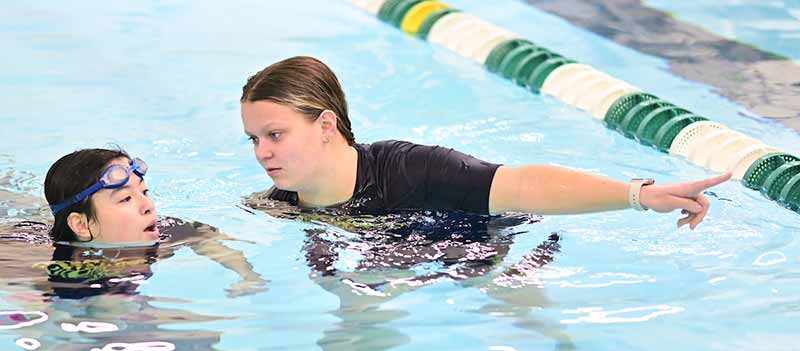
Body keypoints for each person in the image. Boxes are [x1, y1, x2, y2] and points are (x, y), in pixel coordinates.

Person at [240, 55, 729, 228]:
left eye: (275, 135)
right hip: (392, 258)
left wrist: (638, 196)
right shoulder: (275, 205)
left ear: (326, 125)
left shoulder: (412, 169)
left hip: (485, 240)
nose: (263, 153)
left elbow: (522, 185)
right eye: (254, 139)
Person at [1, 147, 266, 298]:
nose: (147, 205)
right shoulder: (46, 261)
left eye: (145, 192)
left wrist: (247, 274)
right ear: (81, 225)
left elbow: (207, 237)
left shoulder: (166, 231)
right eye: (126, 198)